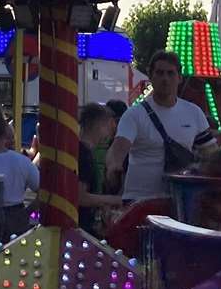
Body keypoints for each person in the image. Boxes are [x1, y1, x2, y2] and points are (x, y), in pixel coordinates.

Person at [108, 52, 211, 203]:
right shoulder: (134, 115)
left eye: (170, 73)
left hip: (180, 201)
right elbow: (118, 148)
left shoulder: (194, 113)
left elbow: (211, 153)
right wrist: (113, 166)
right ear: (151, 77)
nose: (165, 79)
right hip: (140, 201)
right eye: (160, 73)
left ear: (179, 78)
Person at [0, 115, 40, 237]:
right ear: (4, 134)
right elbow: (44, 192)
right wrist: (27, 211)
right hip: (16, 215)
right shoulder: (22, 161)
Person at [76, 102, 122, 234]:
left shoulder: (83, 151)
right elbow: (80, 197)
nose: (111, 131)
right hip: (82, 227)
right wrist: (114, 200)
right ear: (99, 125)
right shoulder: (84, 155)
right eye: (109, 126)